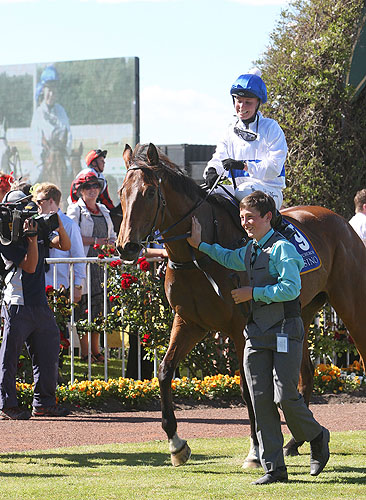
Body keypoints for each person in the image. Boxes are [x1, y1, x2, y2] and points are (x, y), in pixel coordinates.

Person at [187, 190, 330, 484]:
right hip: (256, 333)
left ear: (267, 217)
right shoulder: (250, 250)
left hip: (285, 331)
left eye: (250, 217)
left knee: (285, 397)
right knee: (260, 399)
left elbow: (291, 289)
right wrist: (200, 244)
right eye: (242, 218)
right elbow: (227, 257)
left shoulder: (283, 249)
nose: (245, 223)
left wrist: (253, 293)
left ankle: (317, 435)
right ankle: (274, 469)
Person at [0, 189, 71, 419]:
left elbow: (64, 245)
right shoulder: (5, 236)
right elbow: (29, 266)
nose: (27, 211)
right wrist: (31, 238)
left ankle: (44, 403)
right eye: (21, 207)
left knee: (49, 353)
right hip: (18, 303)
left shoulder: (36, 228)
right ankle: (7, 404)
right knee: (9, 357)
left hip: (39, 302)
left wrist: (55, 222)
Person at [203, 69, 294, 239]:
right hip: (239, 189)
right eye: (238, 101)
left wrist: (243, 165)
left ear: (258, 103)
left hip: (269, 190)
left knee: (245, 192)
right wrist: (211, 170)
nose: (242, 107)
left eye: (248, 102)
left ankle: (281, 227)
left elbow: (274, 167)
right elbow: (219, 157)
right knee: (210, 195)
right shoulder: (230, 131)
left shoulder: (271, 128)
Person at [66, 171, 117, 362]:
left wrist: (111, 243)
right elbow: (73, 237)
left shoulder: (103, 210)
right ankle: (85, 351)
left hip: (101, 265)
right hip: (84, 264)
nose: (93, 190)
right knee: (84, 308)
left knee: (99, 308)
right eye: (88, 187)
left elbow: (112, 234)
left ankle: (97, 350)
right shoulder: (75, 210)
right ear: (80, 191)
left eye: (95, 186)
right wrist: (97, 241)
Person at [32, 183, 86, 300]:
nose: (37, 206)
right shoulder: (34, 223)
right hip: (37, 286)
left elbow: (78, 256)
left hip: (59, 287)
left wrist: (78, 285)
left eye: (39, 202)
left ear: (51, 201)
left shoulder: (69, 225)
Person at [30, 65, 72, 189]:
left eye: (54, 90)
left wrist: (65, 152)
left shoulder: (61, 111)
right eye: (49, 90)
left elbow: (68, 134)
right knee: (36, 174)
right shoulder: (38, 114)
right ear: (43, 90)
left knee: (71, 169)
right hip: (44, 159)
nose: (52, 94)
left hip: (61, 155)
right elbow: (35, 141)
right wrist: (41, 157)